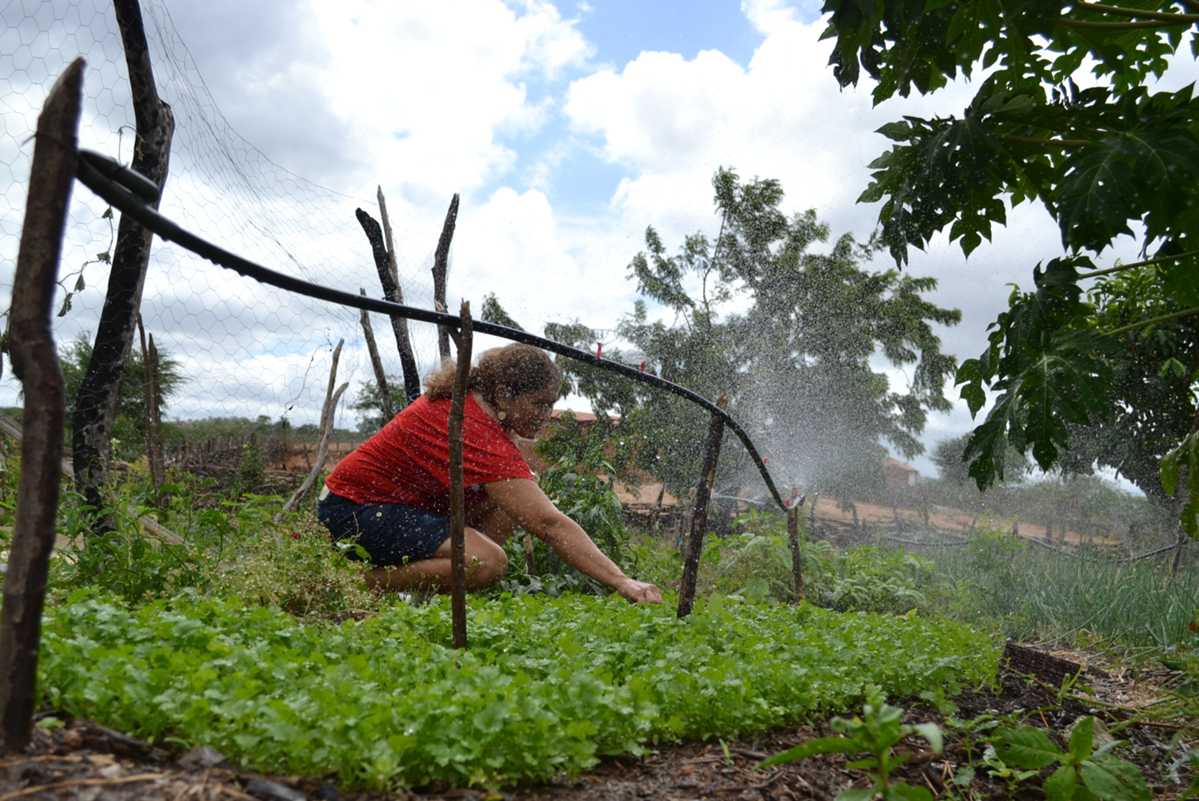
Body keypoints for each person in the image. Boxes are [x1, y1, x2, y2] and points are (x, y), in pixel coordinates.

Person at [318, 343, 662, 604]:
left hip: (392, 507)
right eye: (539, 403)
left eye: (551, 404)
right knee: (485, 562)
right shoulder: (472, 426)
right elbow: (548, 523)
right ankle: (357, 583)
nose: (547, 414)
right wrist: (621, 581)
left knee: (510, 499)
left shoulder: (480, 409)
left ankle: (432, 593)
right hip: (353, 511)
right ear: (503, 394)